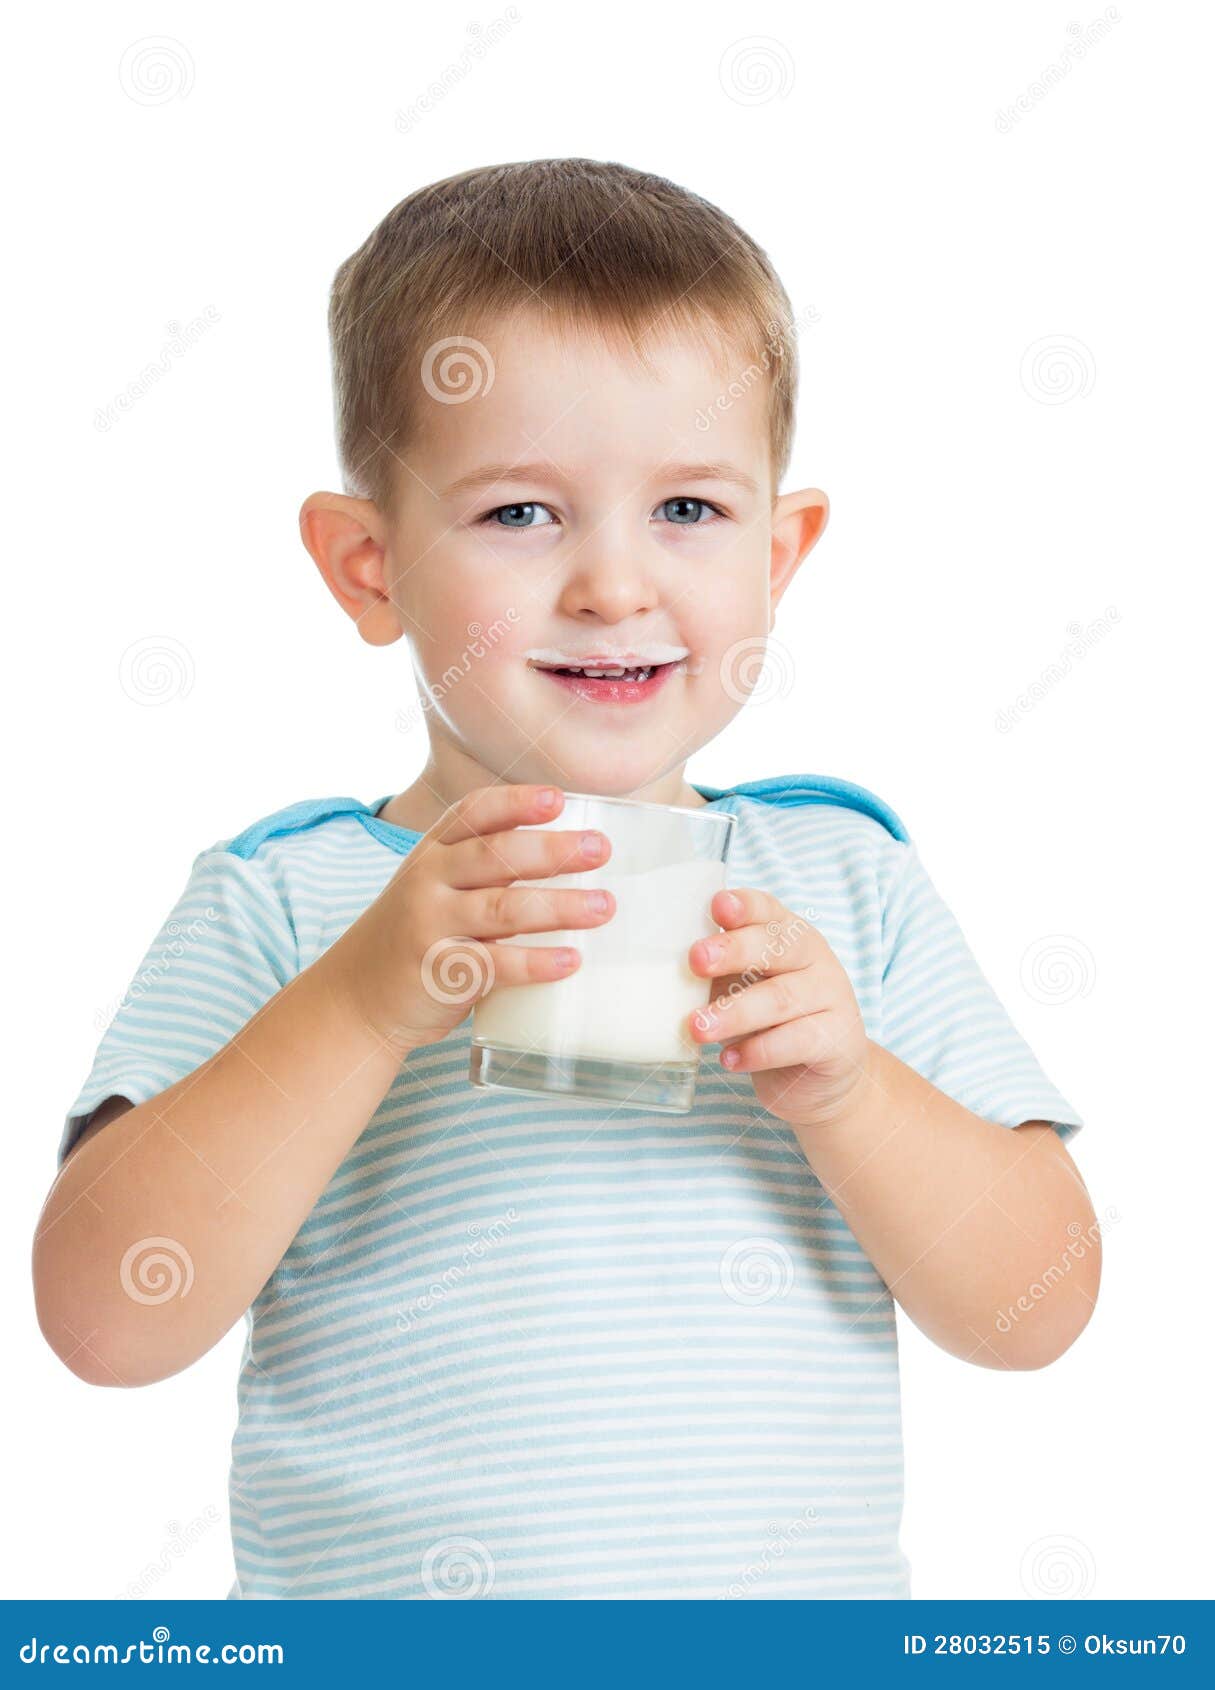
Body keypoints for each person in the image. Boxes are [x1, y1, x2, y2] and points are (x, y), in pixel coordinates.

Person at [34, 157, 1098, 1599]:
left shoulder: (846, 882)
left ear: (781, 558)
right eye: (522, 513)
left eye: (690, 511)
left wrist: (853, 1090)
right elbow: (107, 1321)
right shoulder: (287, 898)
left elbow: (1036, 1309)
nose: (612, 583)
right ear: (368, 571)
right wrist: (356, 1006)